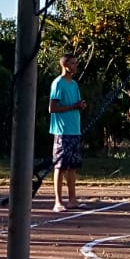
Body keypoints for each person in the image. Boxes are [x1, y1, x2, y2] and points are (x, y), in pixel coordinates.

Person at [47, 53, 86, 212]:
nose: (75, 66)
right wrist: (73, 107)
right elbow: (52, 108)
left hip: (74, 129)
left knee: (72, 166)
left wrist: (80, 106)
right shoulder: (58, 83)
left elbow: (75, 103)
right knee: (60, 166)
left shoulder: (74, 84)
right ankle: (58, 202)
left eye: (76, 63)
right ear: (65, 65)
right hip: (62, 131)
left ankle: (72, 200)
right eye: (73, 63)